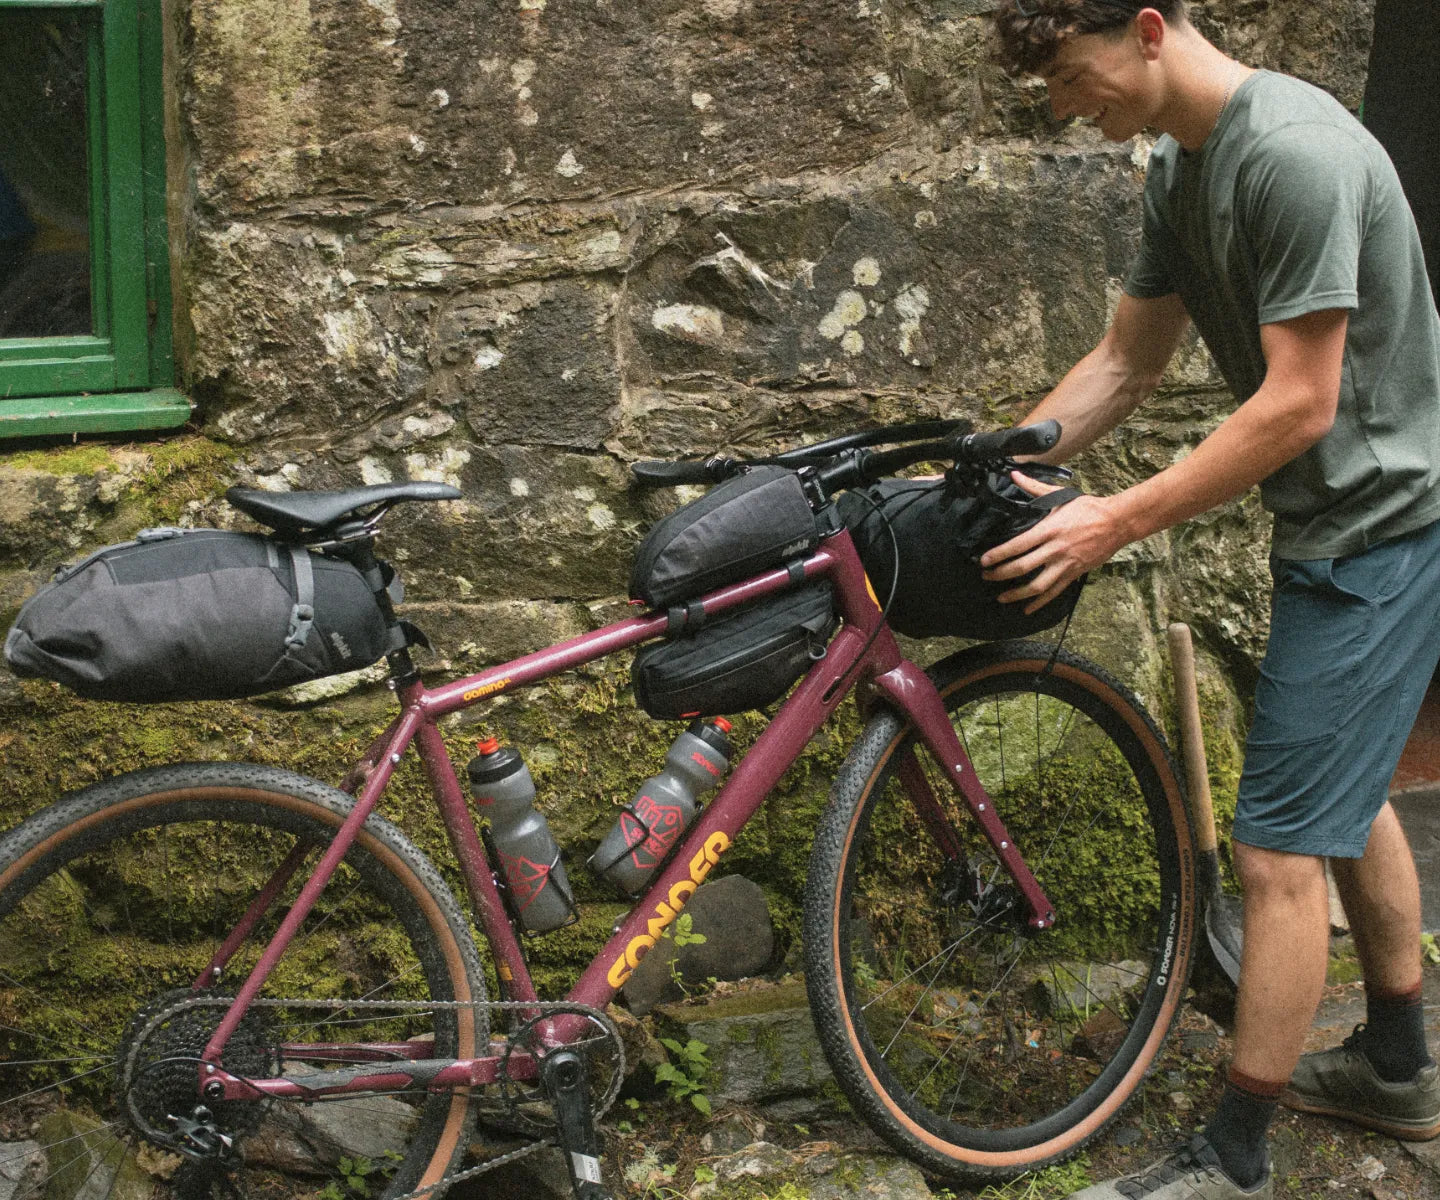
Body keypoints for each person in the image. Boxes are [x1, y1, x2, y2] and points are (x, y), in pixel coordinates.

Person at [982, 2, 1440, 1197]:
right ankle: (1399, 1070)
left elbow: (1299, 404)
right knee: (1342, 790)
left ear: (1144, 29)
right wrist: (1001, 465)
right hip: (1336, 527)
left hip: (1393, 532)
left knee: (1278, 851)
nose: (1072, 113)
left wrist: (1114, 519)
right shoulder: (1184, 171)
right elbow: (1127, 362)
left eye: (1075, 82)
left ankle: (1234, 1154)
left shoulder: (1293, 153)